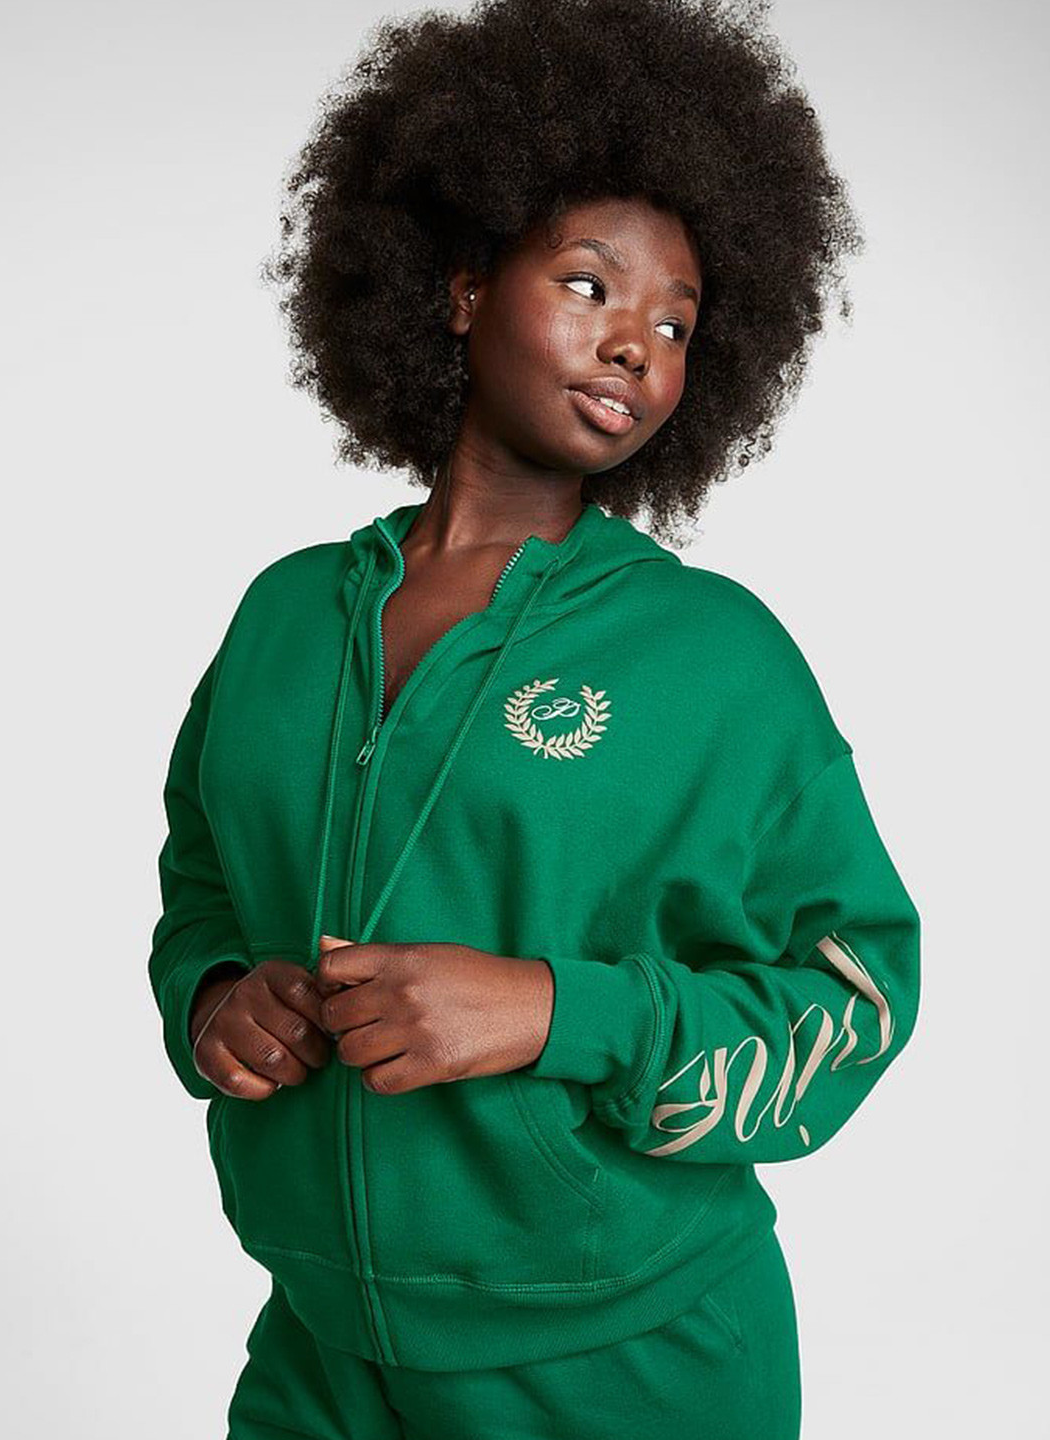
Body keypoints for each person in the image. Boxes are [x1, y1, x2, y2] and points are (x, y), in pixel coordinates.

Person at [147, 1, 921, 1435]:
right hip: (323, 1345)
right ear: (458, 289)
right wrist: (213, 995)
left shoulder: (713, 657)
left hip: (627, 1359)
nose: (636, 346)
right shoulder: (282, 617)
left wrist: (558, 1013)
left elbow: (856, 997)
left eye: (675, 324)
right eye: (588, 285)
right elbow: (203, 872)